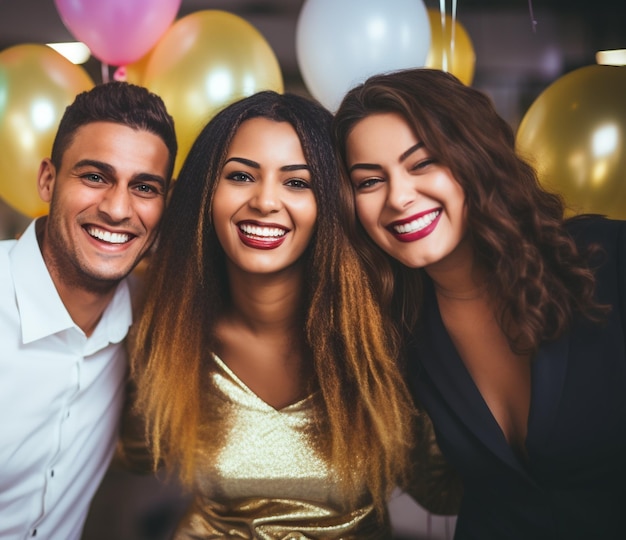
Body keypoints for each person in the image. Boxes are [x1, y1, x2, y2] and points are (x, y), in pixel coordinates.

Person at [120, 90, 433, 538]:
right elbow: (132, 452)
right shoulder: (165, 330)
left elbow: (442, 490)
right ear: (206, 195)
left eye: (297, 182)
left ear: (331, 202)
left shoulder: (389, 334)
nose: (265, 201)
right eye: (241, 176)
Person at [332, 68, 626, 540]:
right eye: (369, 181)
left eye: (422, 163)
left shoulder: (609, 260)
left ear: (473, 158)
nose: (399, 197)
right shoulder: (397, 326)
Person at [0, 81, 177, 539]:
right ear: (47, 179)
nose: (118, 209)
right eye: (95, 176)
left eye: (144, 187)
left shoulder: (150, 318)